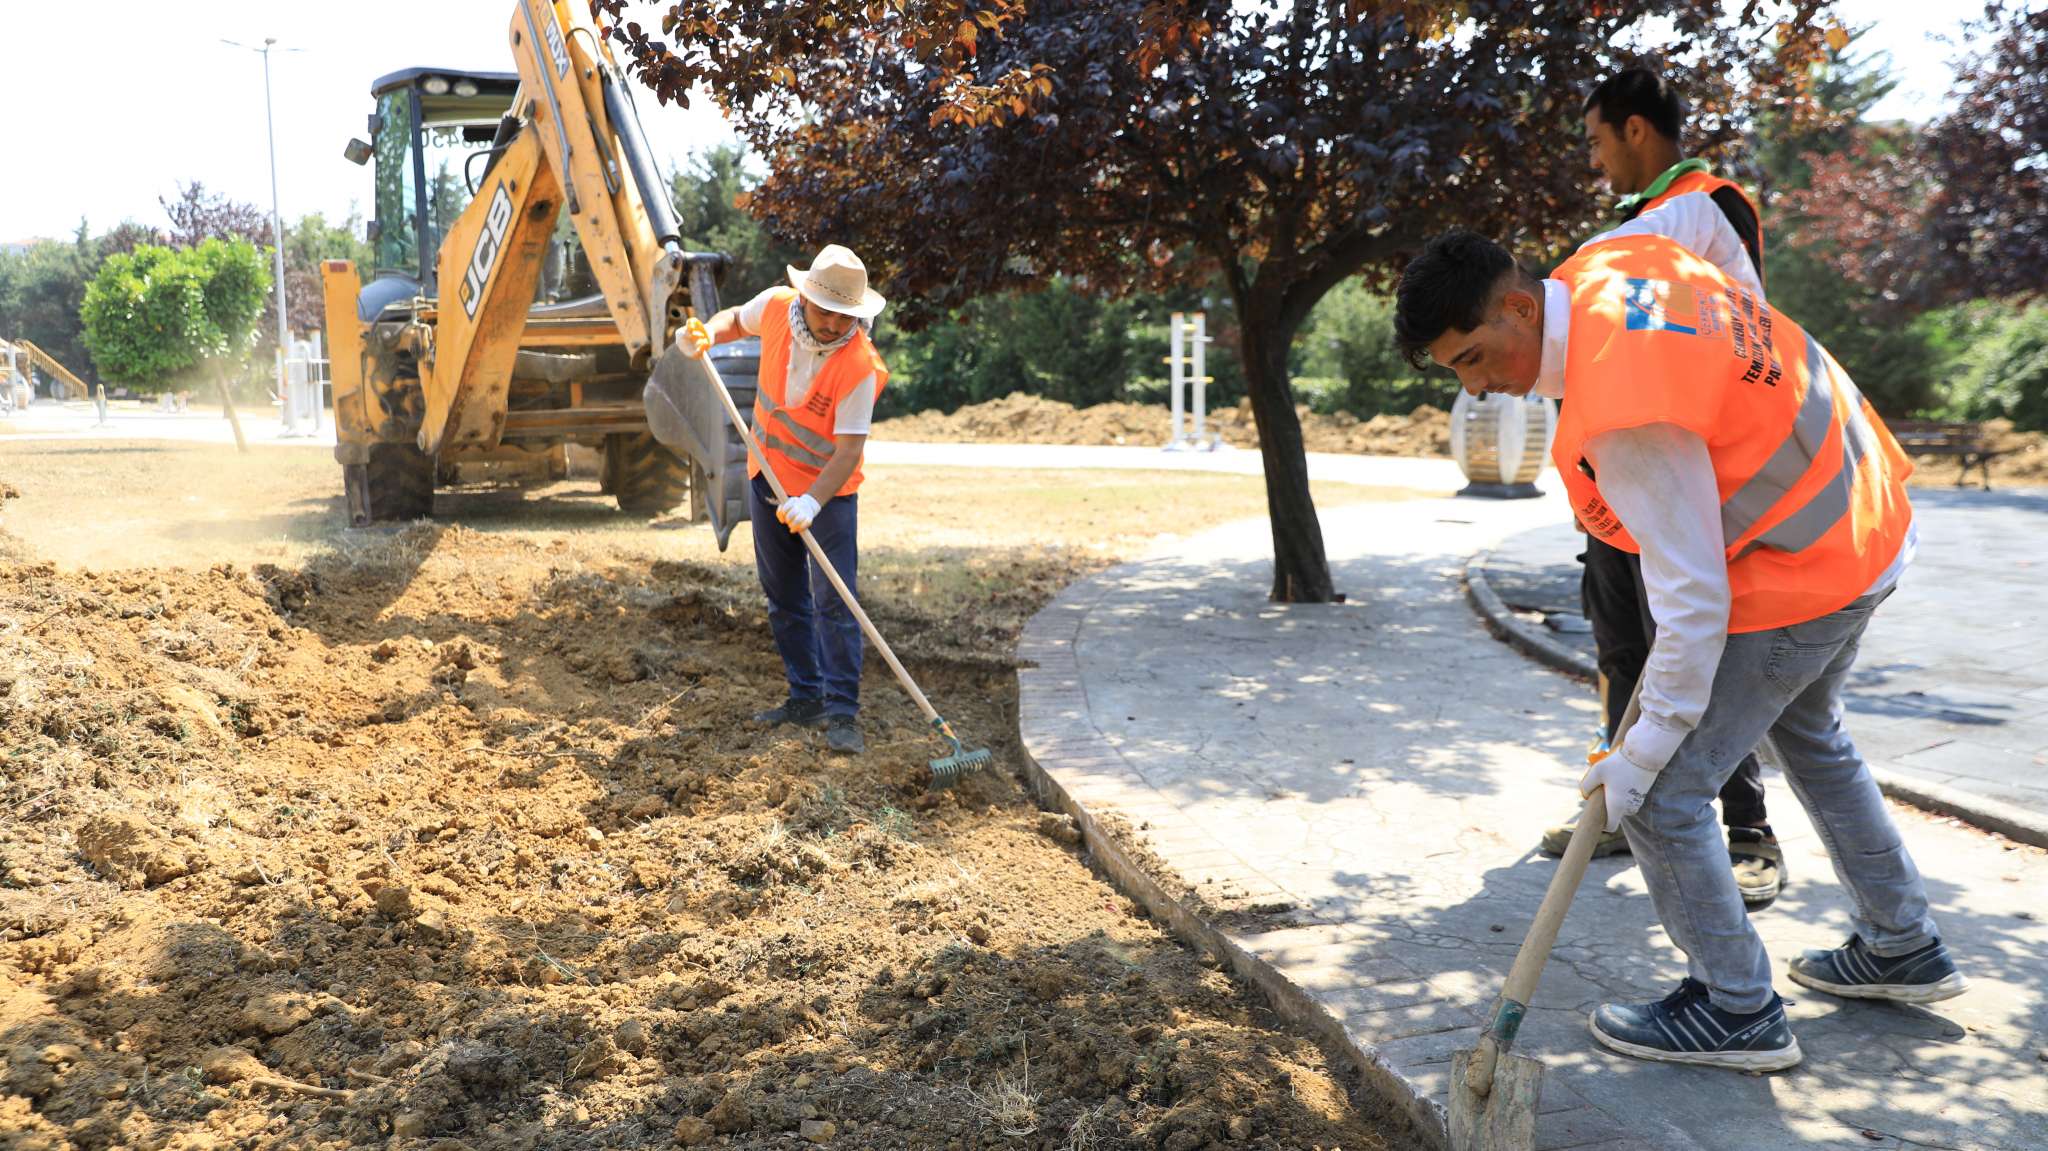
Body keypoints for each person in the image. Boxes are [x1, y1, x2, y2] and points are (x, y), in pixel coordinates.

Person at [1391, 225, 1965, 1071]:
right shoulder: (1613, 267)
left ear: (1518, 305)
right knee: (1809, 732)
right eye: (1458, 372)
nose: (1480, 388)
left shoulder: (1623, 405)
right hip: (1861, 516)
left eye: (1475, 357)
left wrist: (1643, 746)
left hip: (1801, 564)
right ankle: (1902, 943)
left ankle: (1736, 1006)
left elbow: (1693, 597)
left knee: (1661, 798)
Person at [1541, 66, 1786, 911]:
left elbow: (1720, 333)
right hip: (1618, 484)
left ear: (1637, 130)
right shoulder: (1640, 222)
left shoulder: (1706, 207)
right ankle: (1616, 803)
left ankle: (1748, 826)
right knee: (1618, 650)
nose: (1597, 160)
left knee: (1697, 647)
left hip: (1684, 474)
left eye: (1600, 140)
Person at [680, 245, 889, 756]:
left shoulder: (860, 365)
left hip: (828, 497)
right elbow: (731, 321)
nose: (833, 323)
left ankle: (842, 712)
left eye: (845, 315)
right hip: (766, 478)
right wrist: (702, 332)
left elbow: (847, 452)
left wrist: (814, 502)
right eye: (824, 311)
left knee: (835, 604)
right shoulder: (776, 307)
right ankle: (805, 697)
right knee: (785, 600)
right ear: (804, 296)